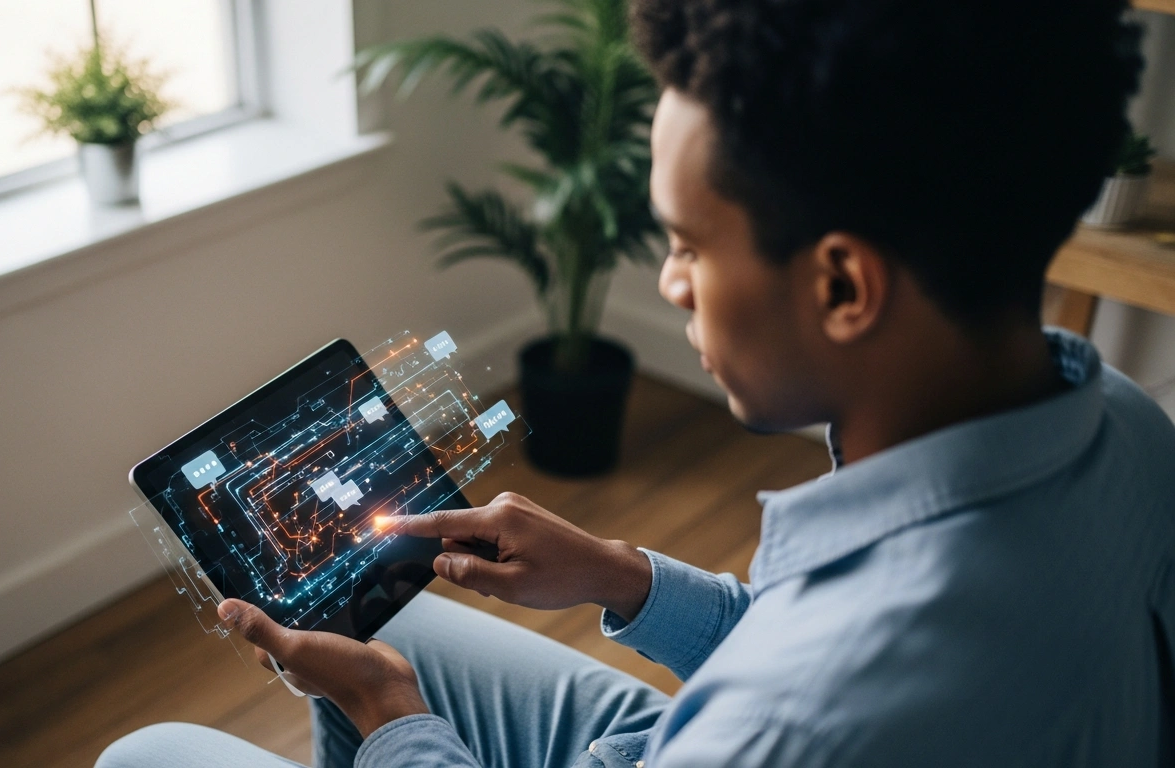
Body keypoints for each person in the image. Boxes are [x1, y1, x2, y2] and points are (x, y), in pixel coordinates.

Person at [98, 0, 1175, 765]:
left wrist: (394, 723)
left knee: (157, 748)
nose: (667, 284)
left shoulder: (792, 726)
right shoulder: (1125, 428)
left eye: (689, 246)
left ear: (843, 283)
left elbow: (810, 689)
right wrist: (623, 577)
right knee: (393, 621)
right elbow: (811, 636)